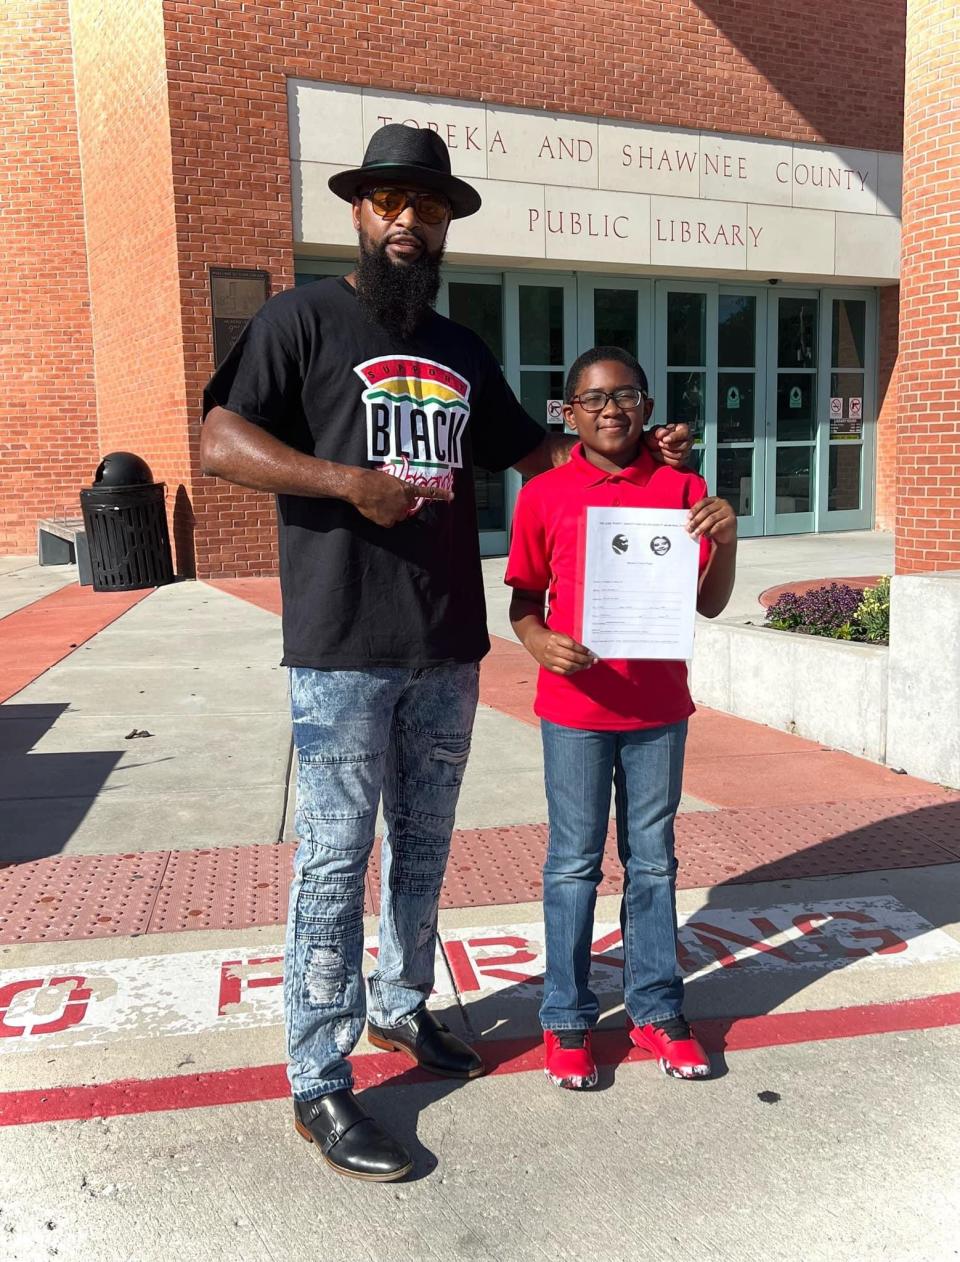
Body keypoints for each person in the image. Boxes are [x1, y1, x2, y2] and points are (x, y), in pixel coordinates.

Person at [200, 125, 692, 1181]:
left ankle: (401, 1005)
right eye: (390, 201)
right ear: (360, 213)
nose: (409, 221)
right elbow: (218, 442)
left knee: (423, 847)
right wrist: (346, 481)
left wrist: (640, 448)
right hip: (340, 646)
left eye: (428, 206)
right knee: (335, 859)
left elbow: (546, 452)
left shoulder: (463, 349)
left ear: (446, 223)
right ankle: (318, 1079)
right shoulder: (301, 320)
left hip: (446, 644)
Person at [505, 346, 736, 1090]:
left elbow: (709, 602)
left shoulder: (682, 487)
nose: (612, 409)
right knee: (573, 864)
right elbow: (522, 604)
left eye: (627, 395)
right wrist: (541, 643)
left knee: (654, 863)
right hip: (574, 709)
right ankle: (567, 1017)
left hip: (658, 711)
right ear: (568, 413)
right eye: (595, 399)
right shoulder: (544, 493)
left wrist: (724, 542)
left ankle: (656, 1008)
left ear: (647, 405)